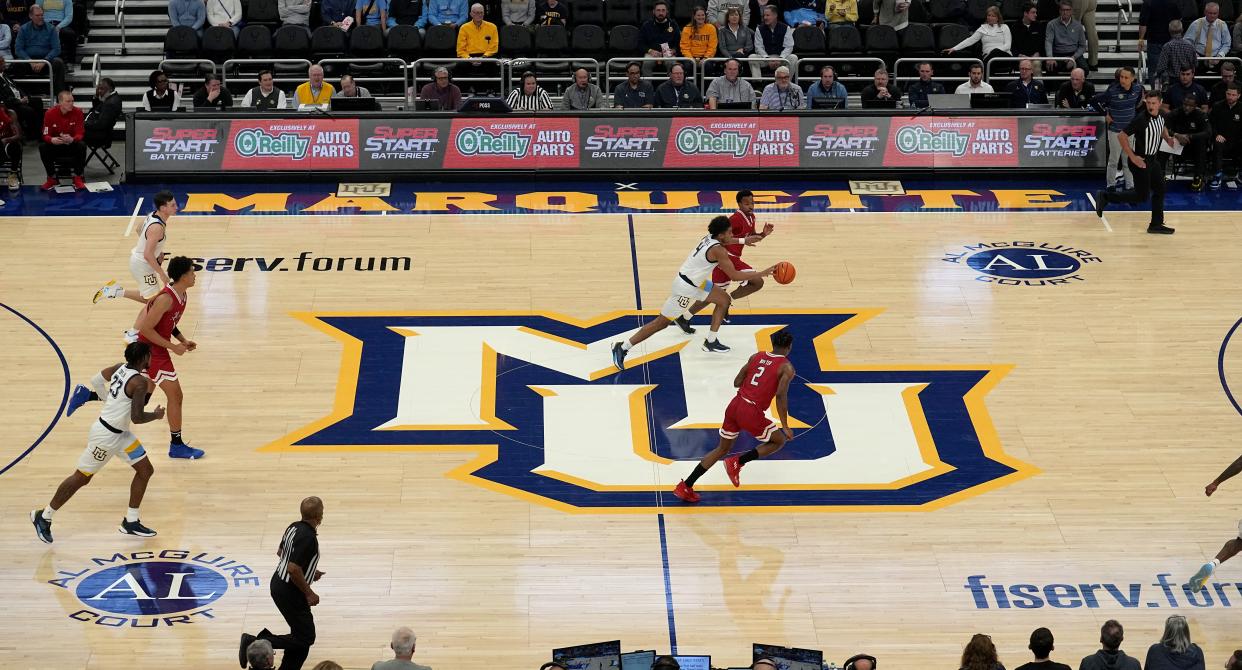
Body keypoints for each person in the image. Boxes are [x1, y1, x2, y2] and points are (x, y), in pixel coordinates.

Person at [31, 342, 164, 544]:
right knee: (82, 477)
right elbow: (137, 418)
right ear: (144, 358)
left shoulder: (120, 367)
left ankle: (131, 521)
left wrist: (108, 399)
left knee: (145, 470)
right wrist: (155, 415)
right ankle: (44, 515)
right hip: (106, 438)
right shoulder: (140, 383)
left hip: (122, 435)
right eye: (150, 356)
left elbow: (96, 380)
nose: (152, 359)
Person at [610, 216, 774, 369]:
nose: (732, 235)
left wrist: (745, 240)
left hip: (695, 281)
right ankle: (623, 347)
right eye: (729, 232)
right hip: (685, 288)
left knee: (723, 300)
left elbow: (728, 240)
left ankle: (711, 341)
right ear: (721, 234)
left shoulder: (711, 238)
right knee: (661, 323)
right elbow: (735, 275)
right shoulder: (719, 251)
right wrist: (762, 273)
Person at [672, 328, 794, 503]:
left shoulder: (756, 356)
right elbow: (781, 395)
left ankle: (686, 486)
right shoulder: (786, 367)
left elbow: (737, 382)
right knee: (779, 440)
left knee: (721, 448)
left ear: (772, 344)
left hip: (735, 405)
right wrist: (785, 425)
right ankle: (738, 461)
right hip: (750, 410)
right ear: (789, 347)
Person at [240, 497, 326, 670]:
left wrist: (308, 570)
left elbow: (282, 553)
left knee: (300, 638)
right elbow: (293, 569)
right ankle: (256, 642)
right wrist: (309, 592)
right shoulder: (308, 536)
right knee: (306, 637)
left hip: (279, 584)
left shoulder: (293, 526)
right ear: (319, 516)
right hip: (290, 591)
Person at [134, 256, 206, 458]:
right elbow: (146, 329)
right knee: (176, 395)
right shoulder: (166, 298)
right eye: (192, 272)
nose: (194, 275)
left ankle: (90, 396)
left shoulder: (181, 295)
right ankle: (176, 445)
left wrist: (182, 340)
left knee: (141, 398)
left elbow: (168, 323)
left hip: (158, 347)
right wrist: (173, 348)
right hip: (150, 350)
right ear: (183, 276)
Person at [681, 189, 773, 326]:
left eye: (752, 203)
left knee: (713, 296)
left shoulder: (752, 217)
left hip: (731, 259)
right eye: (747, 203)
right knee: (757, 282)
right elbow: (722, 239)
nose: (751, 206)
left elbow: (750, 237)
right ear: (739, 204)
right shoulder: (735, 219)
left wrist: (763, 234)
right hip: (727, 259)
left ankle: (684, 318)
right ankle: (726, 303)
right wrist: (742, 241)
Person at [1094, 90, 1177, 235]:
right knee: (1141, 196)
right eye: (1148, 103)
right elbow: (1122, 136)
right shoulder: (1141, 119)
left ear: (1160, 103)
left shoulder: (1162, 115)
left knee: (1160, 189)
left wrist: (1167, 138)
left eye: (1154, 103)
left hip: (1153, 160)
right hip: (1140, 161)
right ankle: (1106, 197)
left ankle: (1156, 224)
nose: (1150, 106)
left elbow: (1161, 127)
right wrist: (1132, 157)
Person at [94, 191, 178, 305]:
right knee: (152, 301)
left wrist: (158, 251)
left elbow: (138, 229)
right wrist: (162, 274)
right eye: (172, 205)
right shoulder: (157, 227)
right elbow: (148, 255)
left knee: (154, 300)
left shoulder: (153, 215)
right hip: (142, 265)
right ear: (163, 208)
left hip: (141, 262)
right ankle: (114, 291)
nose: (176, 207)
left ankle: (115, 290)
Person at [1094, 66, 1142, 190]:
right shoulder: (1112, 91)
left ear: (1133, 78)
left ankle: (1130, 186)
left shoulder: (1138, 89)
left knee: (1128, 160)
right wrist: (1105, 113)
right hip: (1115, 130)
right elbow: (1094, 101)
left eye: (1126, 77)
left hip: (1129, 132)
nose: (1123, 80)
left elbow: (1137, 103)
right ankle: (1110, 185)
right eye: (1121, 77)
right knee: (1114, 160)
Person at [39, 89, 84, 191]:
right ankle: (52, 178)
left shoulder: (78, 112)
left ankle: (77, 177)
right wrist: (52, 140)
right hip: (56, 145)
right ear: (60, 102)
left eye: (72, 101)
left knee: (82, 145)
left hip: (71, 145)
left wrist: (72, 139)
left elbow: (80, 134)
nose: (71, 104)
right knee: (43, 147)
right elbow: (45, 134)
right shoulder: (49, 113)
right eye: (68, 101)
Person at [14, 5, 65, 94]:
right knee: (17, 64)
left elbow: (56, 49)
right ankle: (23, 96)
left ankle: (59, 96)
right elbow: (18, 49)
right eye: (38, 15)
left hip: (46, 62)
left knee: (59, 63)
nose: (41, 17)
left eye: (42, 15)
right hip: (28, 62)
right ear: (31, 16)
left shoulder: (51, 28)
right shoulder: (23, 29)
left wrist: (44, 61)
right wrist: (29, 61)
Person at [1167, 92, 1211, 190]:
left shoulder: (1200, 115)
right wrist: (1176, 135)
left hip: (1193, 145)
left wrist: (1189, 136)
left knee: (1201, 144)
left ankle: (1198, 177)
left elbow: (1208, 132)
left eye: (1190, 106)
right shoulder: (1175, 113)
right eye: (1185, 105)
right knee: (1163, 142)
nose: (1187, 107)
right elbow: (1164, 128)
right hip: (1177, 142)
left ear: (1195, 106)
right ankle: (1160, 174)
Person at [945, 5, 1012, 63]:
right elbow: (970, 40)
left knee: (995, 52)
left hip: (1004, 56)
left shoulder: (1004, 27)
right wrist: (954, 48)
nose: (990, 18)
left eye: (993, 16)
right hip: (988, 57)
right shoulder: (983, 28)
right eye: (989, 15)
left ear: (998, 18)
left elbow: (1008, 45)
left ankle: (982, 72)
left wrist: (995, 51)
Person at [0, 56, 42, 139]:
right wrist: (19, 101)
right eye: (2, 64)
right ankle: (31, 133)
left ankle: (39, 132)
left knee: (38, 101)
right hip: (12, 104)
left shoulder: (4, 75)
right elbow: (4, 99)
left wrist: (25, 96)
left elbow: (17, 88)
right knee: (28, 110)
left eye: (4, 63)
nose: (5, 65)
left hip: (19, 99)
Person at [1209, 82, 1240, 188]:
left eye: (1233, 95)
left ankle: (1240, 173)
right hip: (1222, 139)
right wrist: (1216, 134)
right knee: (1217, 144)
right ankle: (1217, 175)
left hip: (1238, 141)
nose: (1230, 97)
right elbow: (1210, 124)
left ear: (1238, 96)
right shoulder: (1217, 106)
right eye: (1228, 94)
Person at [455, 2, 498, 80]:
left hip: (486, 56)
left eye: (481, 12)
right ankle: (466, 90)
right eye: (476, 13)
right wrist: (470, 59)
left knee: (492, 63)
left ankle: (491, 90)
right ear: (471, 14)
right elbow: (460, 50)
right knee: (460, 65)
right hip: (469, 56)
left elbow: (494, 47)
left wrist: (483, 57)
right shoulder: (464, 28)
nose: (479, 15)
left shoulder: (492, 27)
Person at [1185, 2, 1230, 71]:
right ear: (1205, 12)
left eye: (1215, 13)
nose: (1212, 16)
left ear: (1218, 13)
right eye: (1210, 13)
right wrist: (1194, 54)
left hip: (1216, 57)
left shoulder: (1222, 25)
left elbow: (1226, 44)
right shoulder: (1196, 24)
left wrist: (1219, 56)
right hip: (1198, 57)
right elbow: (1187, 42)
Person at [1044, 1, 1087, 72]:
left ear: (1071, 11)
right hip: (1058, 53)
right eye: (1063, 10)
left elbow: (1082, 46)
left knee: (1084, 69)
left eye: (1067, 10)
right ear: (1059, 11)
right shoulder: (1051, 24)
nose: (1065, 12)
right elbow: (1048, 42)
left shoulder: (1078, 26)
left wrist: (1073, 58)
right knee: (1050, 68)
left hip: (1074, 53)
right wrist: (1050, 57)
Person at [639, 1, 679, 76]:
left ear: (667, 11)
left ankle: (670, 86)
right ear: (654, 12)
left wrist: (674, 50)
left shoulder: (673, 25)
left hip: (668, 53)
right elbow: (640, 43)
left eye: (663, 10)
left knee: (672, 63)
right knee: (647, 63)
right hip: (652, 53)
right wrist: (650, 50)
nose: (661, 13)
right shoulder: (646, 25)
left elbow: (678, 42)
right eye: (658, 10)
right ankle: (648, 87)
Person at [1137, 0, 1179, 70]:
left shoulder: (1148, 3)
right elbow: (1177, 21)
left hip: (1153, 40)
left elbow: (1143, 24)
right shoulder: (1172, 3)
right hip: (1169, 40)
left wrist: (1141, 39)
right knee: (1169, 68)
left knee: (1153, 69)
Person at [754, 5, 795, 73]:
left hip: (781, 57)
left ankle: (787, 81)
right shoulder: (759, 29)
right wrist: (767, 58)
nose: (765, 18)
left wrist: (781, 58)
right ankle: (757, 82)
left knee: (793, 58)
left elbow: (789, 46)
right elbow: (758, 47)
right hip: (766, 57)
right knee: (752, 57)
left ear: (775, 15)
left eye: (767, 15)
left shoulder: (785, 28)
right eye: (764, 15)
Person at [1154, 20, 1196, 86]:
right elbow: (1195, 63)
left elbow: (1161, 67)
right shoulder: (1190, 46)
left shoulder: (1167, 46)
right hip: (1188, 80)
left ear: (1169, 31)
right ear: (1182, 30)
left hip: (1172, 81)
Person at [33, 0, 74, 67]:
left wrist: (58, 27)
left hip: (61, 24)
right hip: (45, 23)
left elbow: (69, 16)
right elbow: (37, 13)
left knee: (69, 34)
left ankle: (69, 62)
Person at [84, 77, 122, 148]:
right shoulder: (110, 98)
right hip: (99, 132)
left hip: (99, 136)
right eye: (98, 88)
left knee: (71, 134)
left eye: (102, 89)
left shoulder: (110, 103)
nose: (99, 91)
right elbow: (96, 109)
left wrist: (83, 124)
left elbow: (101, 124)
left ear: (110, 89)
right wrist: (96, 97)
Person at [0, 101, 19, 190]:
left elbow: (18, 135)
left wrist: (7, 139)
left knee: (16, 146)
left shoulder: (10, 114)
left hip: (7, 143)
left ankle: (13, 175)